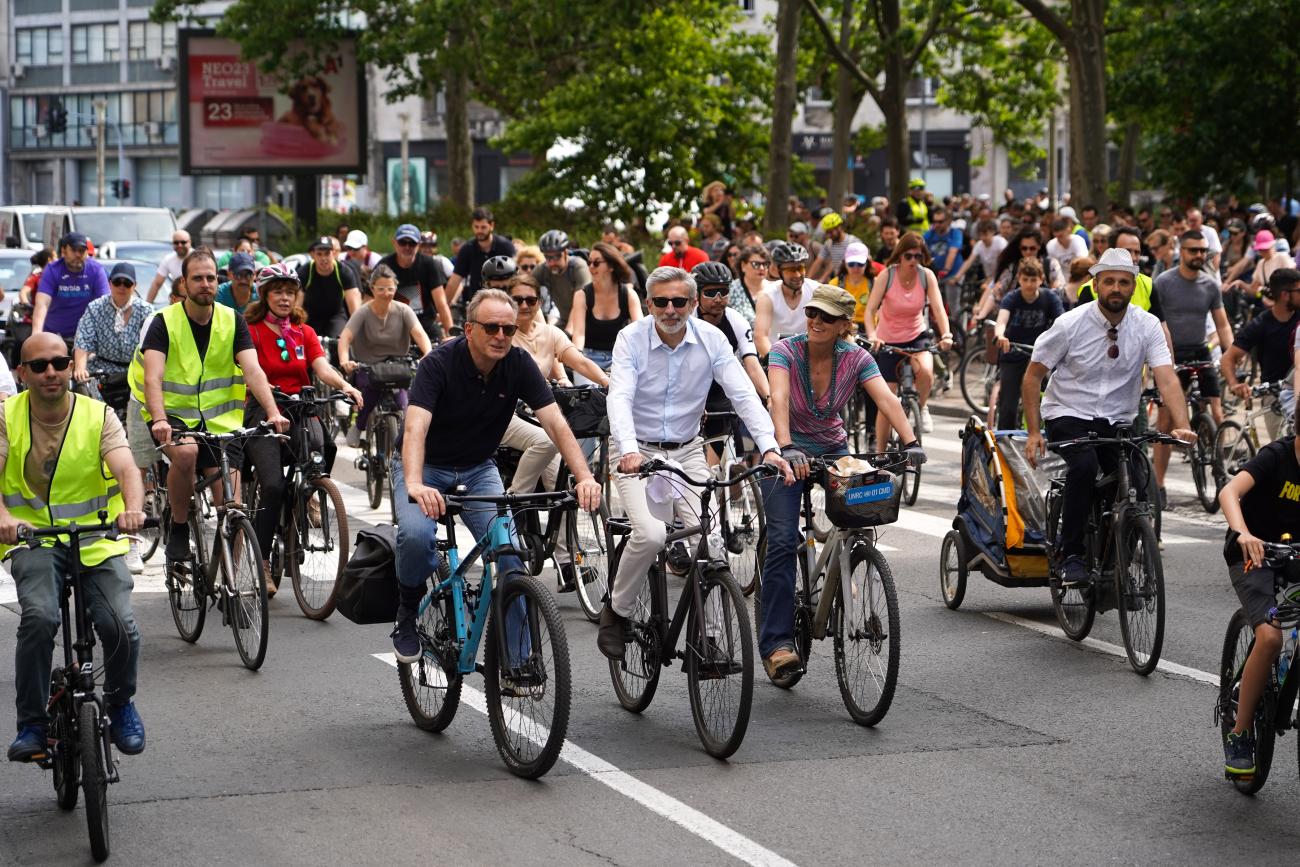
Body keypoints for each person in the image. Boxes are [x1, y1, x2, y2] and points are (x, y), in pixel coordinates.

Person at [390, 288, 601, 663]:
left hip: (477, 468)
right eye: (491, 328)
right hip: (424, 467)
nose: (501, 336)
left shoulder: (517, 364)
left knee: (509, 555)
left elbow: (555, 423)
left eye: (508, 328)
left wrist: (584, 476)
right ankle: (407, 610)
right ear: (469, 329)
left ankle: (519, 663)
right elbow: (415, 430)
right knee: (417, 536)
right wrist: (416, 483)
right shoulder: (438, 364)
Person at [597, 266, 792, 660]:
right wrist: (631, 449)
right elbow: (619, 396)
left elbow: (743, 395)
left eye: (680, 301)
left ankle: (711, 639)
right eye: (662, 302)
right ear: (649, 303)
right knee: (651, 535)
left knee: (712, 540)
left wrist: (770, 447)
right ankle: (616, 612)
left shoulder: (712, 338)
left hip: (687, 451)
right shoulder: (630, 339)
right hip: (637, 451)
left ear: (692, 303)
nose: (671, 310)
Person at [758, 285, 923, 677]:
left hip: (833, 448)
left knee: (861, 518)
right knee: (782, 540)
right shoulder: (785, 351)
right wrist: (785, 446)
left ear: (844, 325)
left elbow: (887, 399)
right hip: (785, 448)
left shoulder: (856, 357)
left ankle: (844, 572)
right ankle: (778, 644)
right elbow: (777, 399)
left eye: (827, 318)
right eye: (812, 313)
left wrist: (912, 442)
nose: (815, 321)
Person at [2, 332, 147, 763]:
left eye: (60, 363)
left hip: (96, 538)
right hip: (34, 540)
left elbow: (126, 469)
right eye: (40, 365)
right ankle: (32, 723)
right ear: (22, 373)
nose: (51, 372)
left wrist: (133, 510)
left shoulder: (98, 415)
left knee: (120, 625)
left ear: (70, 366)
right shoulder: (6, 417)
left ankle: (121, 704)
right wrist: (6, 519)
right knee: (40, 618)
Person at [1022, 248, 1195, 589]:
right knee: (1084, 466)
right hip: (1068, 413)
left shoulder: (1146, 326)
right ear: (1097, 284)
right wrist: (1032, 432)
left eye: (1124, 282)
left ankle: (1120, 560)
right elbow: (1033, 375)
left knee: (1136, 476)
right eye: (1110, 282)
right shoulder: (1070, 324)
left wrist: (1183, 424)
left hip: (1117, 419)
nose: (1116, 288)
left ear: (1134, 286)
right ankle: (1070, 554)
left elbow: (1167, 377)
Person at [128, 250, 289, 564]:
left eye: (211, 278)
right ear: (184, 283)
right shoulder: (163, 322)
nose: (205, 284)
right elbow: (153, 377)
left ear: (220, 281)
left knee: (233, 508)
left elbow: (253, 371)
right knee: (186, 453)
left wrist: (272, 412)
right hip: (170, 414)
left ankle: (228, 584)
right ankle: (177, 527)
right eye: (197, 278)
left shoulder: (232, 320)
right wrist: (159, 418)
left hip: (219, 421)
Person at [242, 266, 362, 592]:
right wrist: (267, 402)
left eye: (289, 292)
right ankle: (263, 562)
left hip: (299, 407)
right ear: (264, 294)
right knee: (273, 486)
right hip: (263, 413)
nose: (284, 297)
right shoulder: (250, 330)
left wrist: (345, 385)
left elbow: (320, 367)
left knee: (326, 446)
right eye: (277, 291)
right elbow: (250, 372)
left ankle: (307, 495)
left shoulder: (303, 331)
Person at [498, 274, 609, 591]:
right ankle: (514, 503)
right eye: (517, 300)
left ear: (538, 303)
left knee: (562, 487)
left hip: (539, 415)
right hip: (506, 416)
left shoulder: (549, 333)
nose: (523, 305)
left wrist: (607, 384)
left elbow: (580, 361)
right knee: (549, 441)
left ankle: (564, 562)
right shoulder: (503, 333)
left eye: (530, 300)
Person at [1218, 431, 1300, 779]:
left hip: (1295, 555)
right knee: (1269, 638)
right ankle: (1239, 733)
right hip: (1254, 554)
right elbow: (1229, 492)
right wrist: (1243, 533)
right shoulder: (1276, 456)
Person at [1151, 230, 1235, 499]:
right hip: (1172, 356)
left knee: (1218, 413)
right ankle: (1159, 484)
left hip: (1201, 352)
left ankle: (1218, 465)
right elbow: (1153, 322)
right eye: (1193, 250)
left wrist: (1229, 356)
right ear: (1181, 251)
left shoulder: (1210, 285)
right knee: (1165, 422)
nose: (1199, 255)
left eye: (1203, 251)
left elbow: (1222, 324)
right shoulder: (1163, 282)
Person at [863, 232, 954, 439]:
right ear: (900, 256)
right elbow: (870, 311)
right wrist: (872, 335)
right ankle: (880, 454)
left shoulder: (926, 276)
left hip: (916, 334)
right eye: (909, 256)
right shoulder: (886, 276)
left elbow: (939, 310)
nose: (914, 261)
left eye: (918, 256)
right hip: (888, 340)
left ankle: (920, 408)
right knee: (888, 400)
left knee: (927, 372)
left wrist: (946, 334)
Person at [338, 264, 432, 446]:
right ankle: (358, 426)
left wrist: (427, 352)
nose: (386, 293)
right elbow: (345, 337)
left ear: (396, 288)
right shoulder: (363, 311)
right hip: (368, 366)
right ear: (372, 288)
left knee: (405, 401)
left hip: (397, 365)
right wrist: (344, 360)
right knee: (372, 390)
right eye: (380, 288)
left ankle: (409, 436)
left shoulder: (404, 310)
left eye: (390, 288)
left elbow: (419, 333)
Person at [692, 261, 771, 464]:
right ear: (696, 295)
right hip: (691, 390)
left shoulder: (736, 320)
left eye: (723, 291)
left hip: (721, 391)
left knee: (735, 467)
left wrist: (769, 396)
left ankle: (734, 481)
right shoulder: (688, 320)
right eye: (710, 293)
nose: (718, 299)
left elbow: (752, 364)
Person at [1221, 268, 1300, 440]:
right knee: (1285, 450)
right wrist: (1235, 385)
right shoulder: (1261, 324)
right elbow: (1228, 358)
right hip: (1274, 396)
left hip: (1298, 389)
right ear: (1285, 294)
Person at [991, 257, 1063, 430]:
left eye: (1033, 280)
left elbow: (1063, 323)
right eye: (1025, 280)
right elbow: (1001, 321)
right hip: (1013, 353)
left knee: (1052, 399)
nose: (1029, 284)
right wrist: (1000, 336)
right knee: (1008, 406)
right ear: (1019, 280)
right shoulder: (1012, 298)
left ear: (1041, 279)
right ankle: (1004, 443)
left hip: (1040, 356)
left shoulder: (1050, 298)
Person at [567, 242, 642, 375]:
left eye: (596, 263)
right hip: (589, 359)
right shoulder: (582, 295)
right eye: (589, 262)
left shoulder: (628, 295)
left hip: (620, 358)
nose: (590, 267)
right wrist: (577, 358)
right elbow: (579, 334)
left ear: (611, 266)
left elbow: (640, 331)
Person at [376, 223, 453, 340]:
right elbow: (368, 301)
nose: (407, 247)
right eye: (402, 242)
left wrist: (451, 335)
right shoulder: (384, 266)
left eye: (412, 243)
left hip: (426, 325)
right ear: (394, 243)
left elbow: (441, 304)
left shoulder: (430, 264)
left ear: (418, 245)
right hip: (394, 328)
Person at [32, 232, 108, 342]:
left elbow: (104, 303)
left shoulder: (96, 270)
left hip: (85, 337)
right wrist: (37, 334)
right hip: (54, 335)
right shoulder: (52, 270)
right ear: (63, 251)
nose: (78, 254)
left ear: (87, 252)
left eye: (81, 251)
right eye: (73, 250)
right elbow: (42, 304)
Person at [754, 243, 819, 357]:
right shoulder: (767, 296)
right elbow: (760, 336)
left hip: (811, 358)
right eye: (791, 270)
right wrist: (777, 363)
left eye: (800, 268)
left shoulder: (816, 290)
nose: (797, 274)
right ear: (778, 271)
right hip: (777, 356)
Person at [445, 208, 516, 308]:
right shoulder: (467, 249)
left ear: (492, 226)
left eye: (483, 227)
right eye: (476, 227)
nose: (479, 231)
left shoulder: (505, 246)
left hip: (505, 300)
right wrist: (443, 307)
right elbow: (454, 280)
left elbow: (516, 277)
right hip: (477, 303)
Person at [296, 235, 362, 339]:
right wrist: (293, 327)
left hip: (336, 315)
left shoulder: (344, 271)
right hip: (311, 316)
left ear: (334, 253)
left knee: (339, 340)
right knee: (305, 339)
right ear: (313, 255)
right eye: (319, 254)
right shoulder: (304, 271)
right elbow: (297, 305)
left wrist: (357, 331)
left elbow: (354, 305)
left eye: (327, 254)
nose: (324, 258)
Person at [532, 229, 591, 324]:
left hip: (587, 322)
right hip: (564, 320)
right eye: (548, 257)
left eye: (556, 257)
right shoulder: (543, 269)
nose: (552, 262)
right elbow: (525, 287)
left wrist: (568, 332)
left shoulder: (578, 267)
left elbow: (580, 303)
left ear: (565, 252)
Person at [830, 242, 882, 331]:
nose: (855, 268)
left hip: (869, 331)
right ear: (845, 263)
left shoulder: (875, 283)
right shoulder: (834, 284)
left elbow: (881, 312)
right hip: (843, 329)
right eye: (851, 263)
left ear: (867, 263)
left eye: (860, 263)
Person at [923, 207, 965, 306]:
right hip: (935, 275)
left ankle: (957, 320)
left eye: (940, 222)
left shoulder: (955, 233)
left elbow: (952, 252)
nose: (937, 225)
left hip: (953, 274)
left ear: (948, 221)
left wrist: (946, 270)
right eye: (935, 222)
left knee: (953, 304)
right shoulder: (930, 234)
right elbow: (922, 249)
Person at [808, 212, 860, 282]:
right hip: (839, 280)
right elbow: (818, 261)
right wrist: (807, 279)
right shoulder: (828, 244)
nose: (829, 235)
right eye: (827, 232)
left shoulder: (853, 242)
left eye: (831, 232)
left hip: (854, 279)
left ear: (839, 227)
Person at [728, 244, 769, 325]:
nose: (761, 268)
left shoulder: (775, 288)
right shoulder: (731, 290)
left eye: (765, 264)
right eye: (756, 264)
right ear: (743, 265)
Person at [146, 230, 191, 303]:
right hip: (178, 300)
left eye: (183, 242)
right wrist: (148, 304)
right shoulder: (168, 259)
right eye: (176, 243)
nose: (180, 245)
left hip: (195, 298)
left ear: (190, 242)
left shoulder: (197, 258)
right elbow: (157, 283)